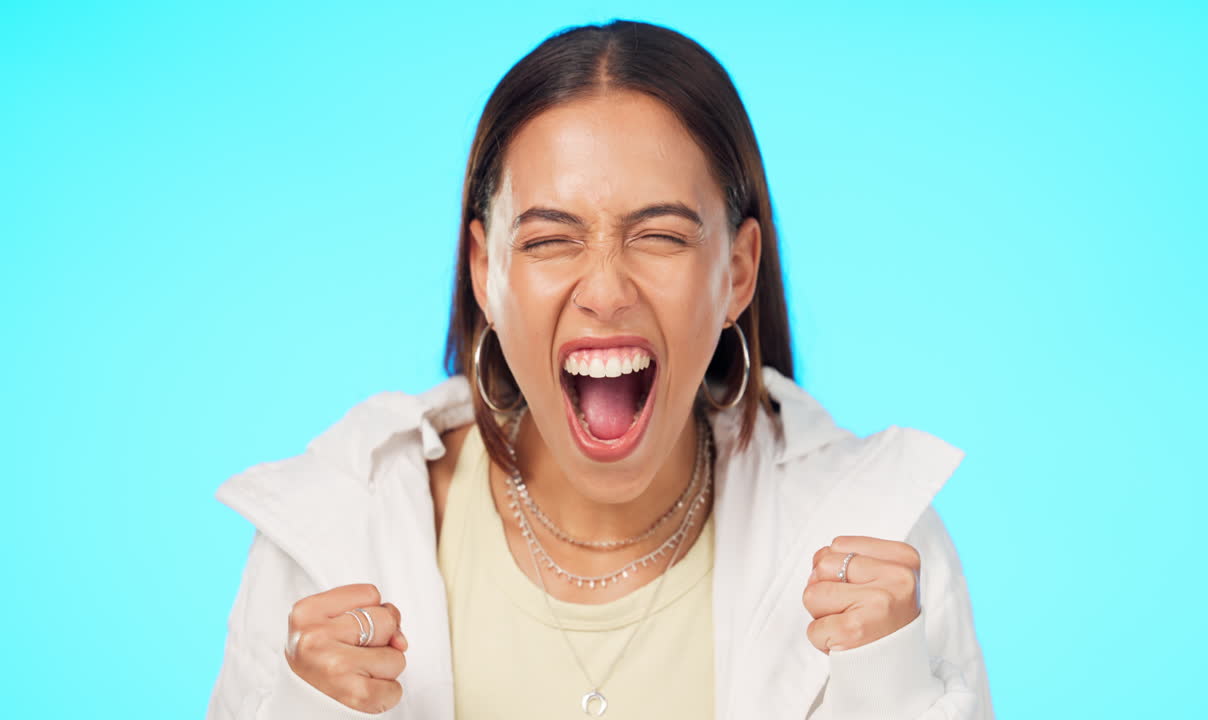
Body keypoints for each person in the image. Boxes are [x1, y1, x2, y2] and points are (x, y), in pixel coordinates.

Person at [206, 18, 993, 720]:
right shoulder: (329, 538)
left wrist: (888, 690)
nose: (607, 291)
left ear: (738, 272)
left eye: (661, 237)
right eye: (550, 240)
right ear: (486, 271)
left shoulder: (884, 539)